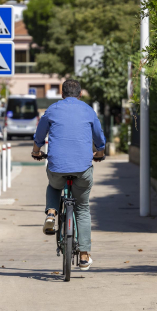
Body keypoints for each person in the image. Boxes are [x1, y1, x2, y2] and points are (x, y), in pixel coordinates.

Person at [31, 79, 106, 271]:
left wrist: (36, 150)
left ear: (62, 94)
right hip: (82, 169)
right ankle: (84, 254)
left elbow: (40, 133)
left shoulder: (52, 109)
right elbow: (98, 136)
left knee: (54, 185)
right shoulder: (88, 110)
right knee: (82, 208)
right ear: (80, 94)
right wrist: (99, 152)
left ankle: (51, 213)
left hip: (57, 166)